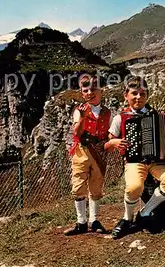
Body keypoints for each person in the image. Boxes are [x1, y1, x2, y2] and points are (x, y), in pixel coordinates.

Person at [106, 76, 165, 239]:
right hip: (134, 161)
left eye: (143, 94)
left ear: (147, 96)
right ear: (126, 95)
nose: (139, 97)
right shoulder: (120, 118)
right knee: (133, 187)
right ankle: (127, 219)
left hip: (157, 162)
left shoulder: (156, 115)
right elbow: (107, 143)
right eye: (134, 93)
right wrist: (115, 142)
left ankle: (144, 212)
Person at [64, 74, 112, 236]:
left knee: (96, 185)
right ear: (82, 93)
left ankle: (94, 220)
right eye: (86, 90)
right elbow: (76, 133)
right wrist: (82, 118)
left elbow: (110, 133)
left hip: (99, 152)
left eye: (94, 89)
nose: (90, 92)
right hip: (82, 150)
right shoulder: (80, 111)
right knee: (78, 184)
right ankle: (81, 221)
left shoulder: (107, 113)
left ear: (101, 91)